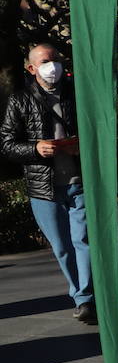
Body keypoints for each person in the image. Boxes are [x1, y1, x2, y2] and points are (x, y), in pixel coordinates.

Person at [0, 44, 96, 324]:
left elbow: (96, 127)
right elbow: (6, 143)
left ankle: (85, 298)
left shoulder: (77, 93)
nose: (52, 66)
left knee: (84, 240)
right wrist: (34, 149)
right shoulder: (19, 100)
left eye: (55, 60)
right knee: (63, 246)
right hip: (44, 188)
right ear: (31, 69)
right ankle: (80, 293)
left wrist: (83, 145)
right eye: (44, 62)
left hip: (80, 182)